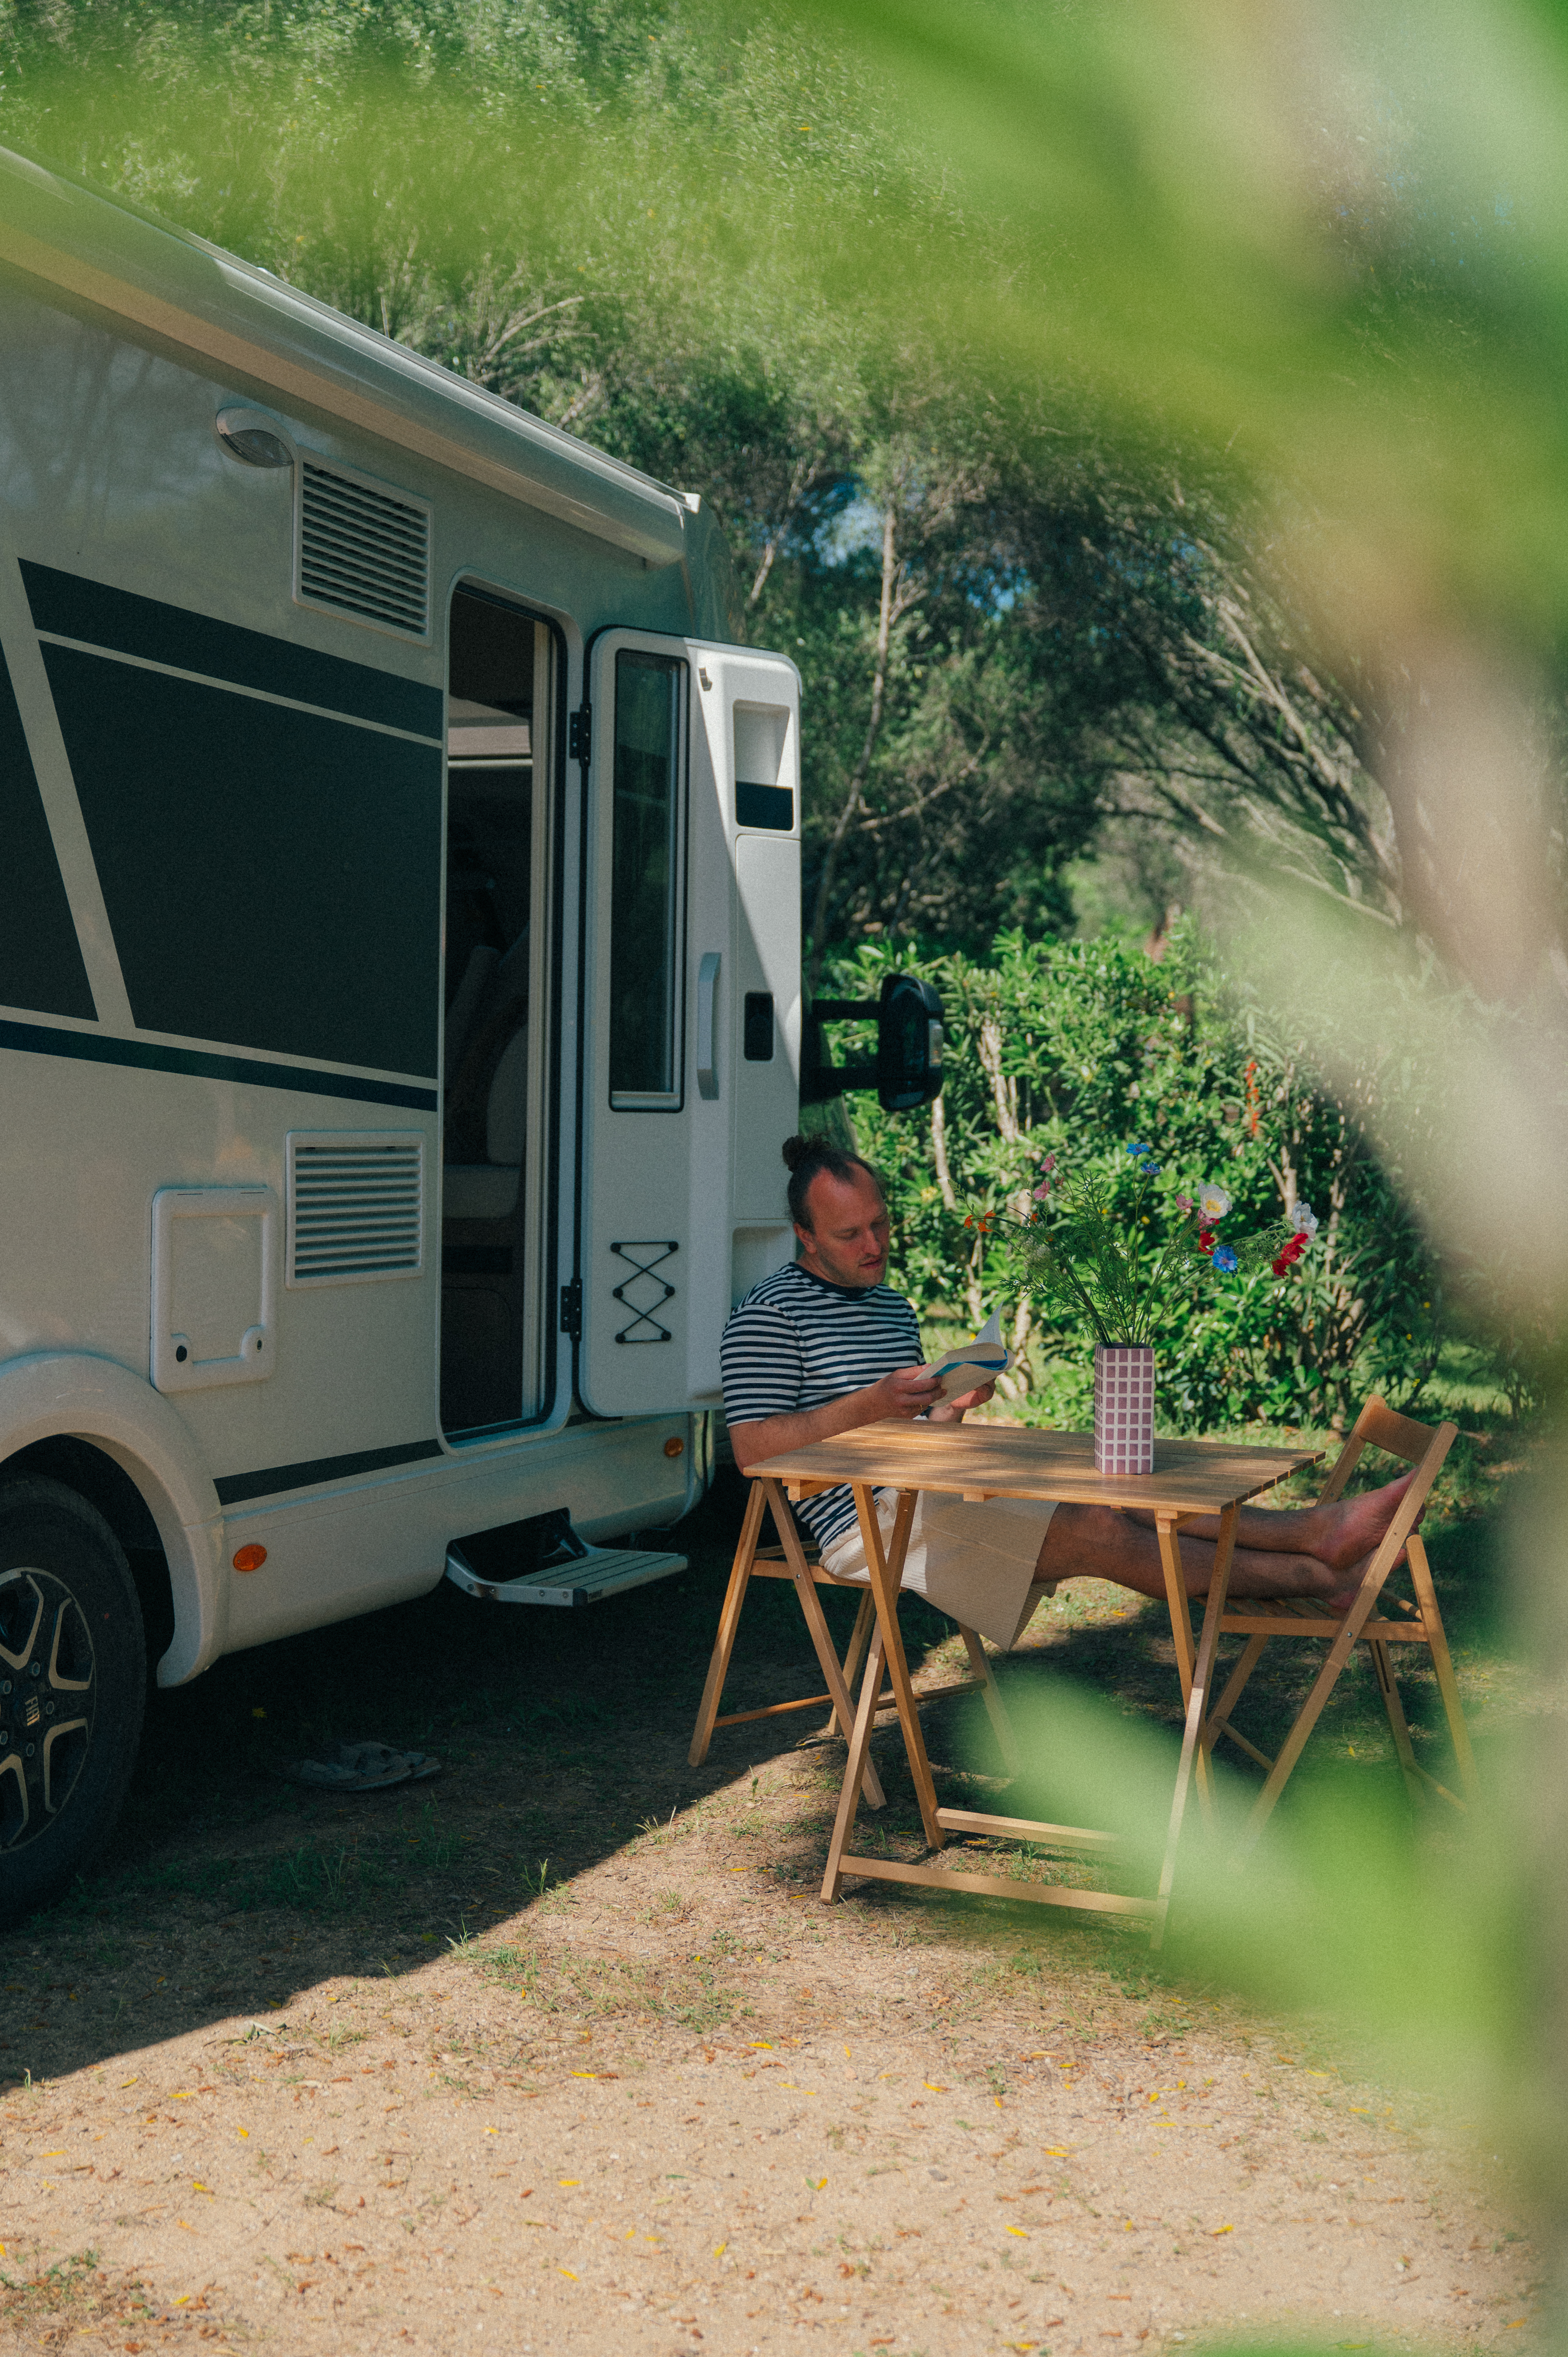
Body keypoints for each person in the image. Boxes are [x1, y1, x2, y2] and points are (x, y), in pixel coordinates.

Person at [719, 1136, 1414, 1653]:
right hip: (863, 1529)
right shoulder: (770, 1315)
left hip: (925, 1492)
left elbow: (911, 1439)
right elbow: (752, 1451)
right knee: (1100, 1530)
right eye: (850, 1234)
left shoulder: (890, 1306)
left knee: (1114, 1487)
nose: (875, 1244)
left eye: (880, 1224)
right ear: (805, 1236)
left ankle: (1317, 1540)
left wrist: (950, 1405)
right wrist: (874, 1402)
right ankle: (1314, 1568)